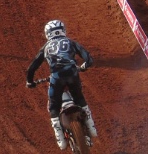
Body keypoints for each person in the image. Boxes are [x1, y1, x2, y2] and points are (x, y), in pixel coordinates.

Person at [26, 19, 97, 150]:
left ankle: (59, 134)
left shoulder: (46, 47)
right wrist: (84, 66)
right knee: (79, 98)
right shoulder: (70, 42)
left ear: (47, 34)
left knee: (53, 106)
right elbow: (89, 58)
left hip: (56, 78)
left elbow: (32, 68)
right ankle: (91, 125)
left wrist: (30, 82)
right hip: (72, 74)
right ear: (63, 30)